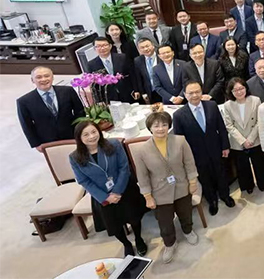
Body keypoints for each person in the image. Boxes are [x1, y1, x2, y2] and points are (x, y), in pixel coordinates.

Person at [69, 121, 148, 257]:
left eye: (94, 132)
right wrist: (106, 197)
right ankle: (126, 244)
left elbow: (124, 168)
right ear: (79, 138)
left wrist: (117, 191)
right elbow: (83, 180)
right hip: (102, 195)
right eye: (86, 134)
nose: (91, 136)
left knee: (134, 217)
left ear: (99, 132)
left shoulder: (113, 144)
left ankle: (139, 239)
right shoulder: (75, 157)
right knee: (114, 225)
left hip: (124, 187)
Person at [132, 112, 199, 263]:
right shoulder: (141, 150)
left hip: (181, 186)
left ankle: (188, 231)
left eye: (164, 125)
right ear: (150, 128)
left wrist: (193, 182)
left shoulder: (180, 141)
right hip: (159, 192)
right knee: (165, 222)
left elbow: (189, 163)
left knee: (186, 213)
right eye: (156, 126)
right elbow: (142, 176)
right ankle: (170, 244)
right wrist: (147, 196)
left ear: (169, 126)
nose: (161, 128)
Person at [173, 81, 234, 216]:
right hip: (196, 154)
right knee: (205, 178)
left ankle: (225, 195)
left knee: (221, 173)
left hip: (216, 148)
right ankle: (212, 201)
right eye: (191, 93)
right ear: (185, 95)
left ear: (202, 92)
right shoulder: (178, 115)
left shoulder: (211, 106)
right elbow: (179, 141)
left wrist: (225, 146)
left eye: (197, 92)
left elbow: (221, 127)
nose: (195, 95)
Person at [17, 66, 85, 150]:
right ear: (32, 80)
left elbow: (80, 112)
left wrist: (81, 132)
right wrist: (36, 144)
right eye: (39, 77)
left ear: (52, 77)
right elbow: (27, 125)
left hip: (72, 136)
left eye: (47, 76)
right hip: (47, 141)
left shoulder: (68, 91)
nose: (43, 79)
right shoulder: (24, 101)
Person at [222, 78, 264, 195]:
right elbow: (229, 125)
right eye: (235, 90)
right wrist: (243, 141)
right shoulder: (228, 105)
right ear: (231, 92)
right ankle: (248, 185)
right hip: (238, 142)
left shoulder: (255, 100)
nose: (239, 92)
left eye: (241, 88)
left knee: (258, 164)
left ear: (246, 88)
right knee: (243, 167)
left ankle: (262, 183)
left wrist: (250, 139)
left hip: (254, 139)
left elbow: (259, 121)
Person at [86, 36, 137, 103]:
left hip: (127, 93)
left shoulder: (122, 57)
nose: (102, 48)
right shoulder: (91, 64)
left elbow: (132, 74)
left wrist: (136, 90)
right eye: (98, 46)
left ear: (110, 46)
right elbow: (94, 86)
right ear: (94, 49)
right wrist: (99, 101)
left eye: (105, 45)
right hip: (108, 98)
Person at [133, 38, 161, 104]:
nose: (145, 49)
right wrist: (143, 93)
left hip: (164, 91)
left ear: (153, 46)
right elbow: (139, 78)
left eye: (147, 46)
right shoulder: (138, 60)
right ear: (139, 49)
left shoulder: (161, 56)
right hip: (150, 92)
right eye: (142, 47)